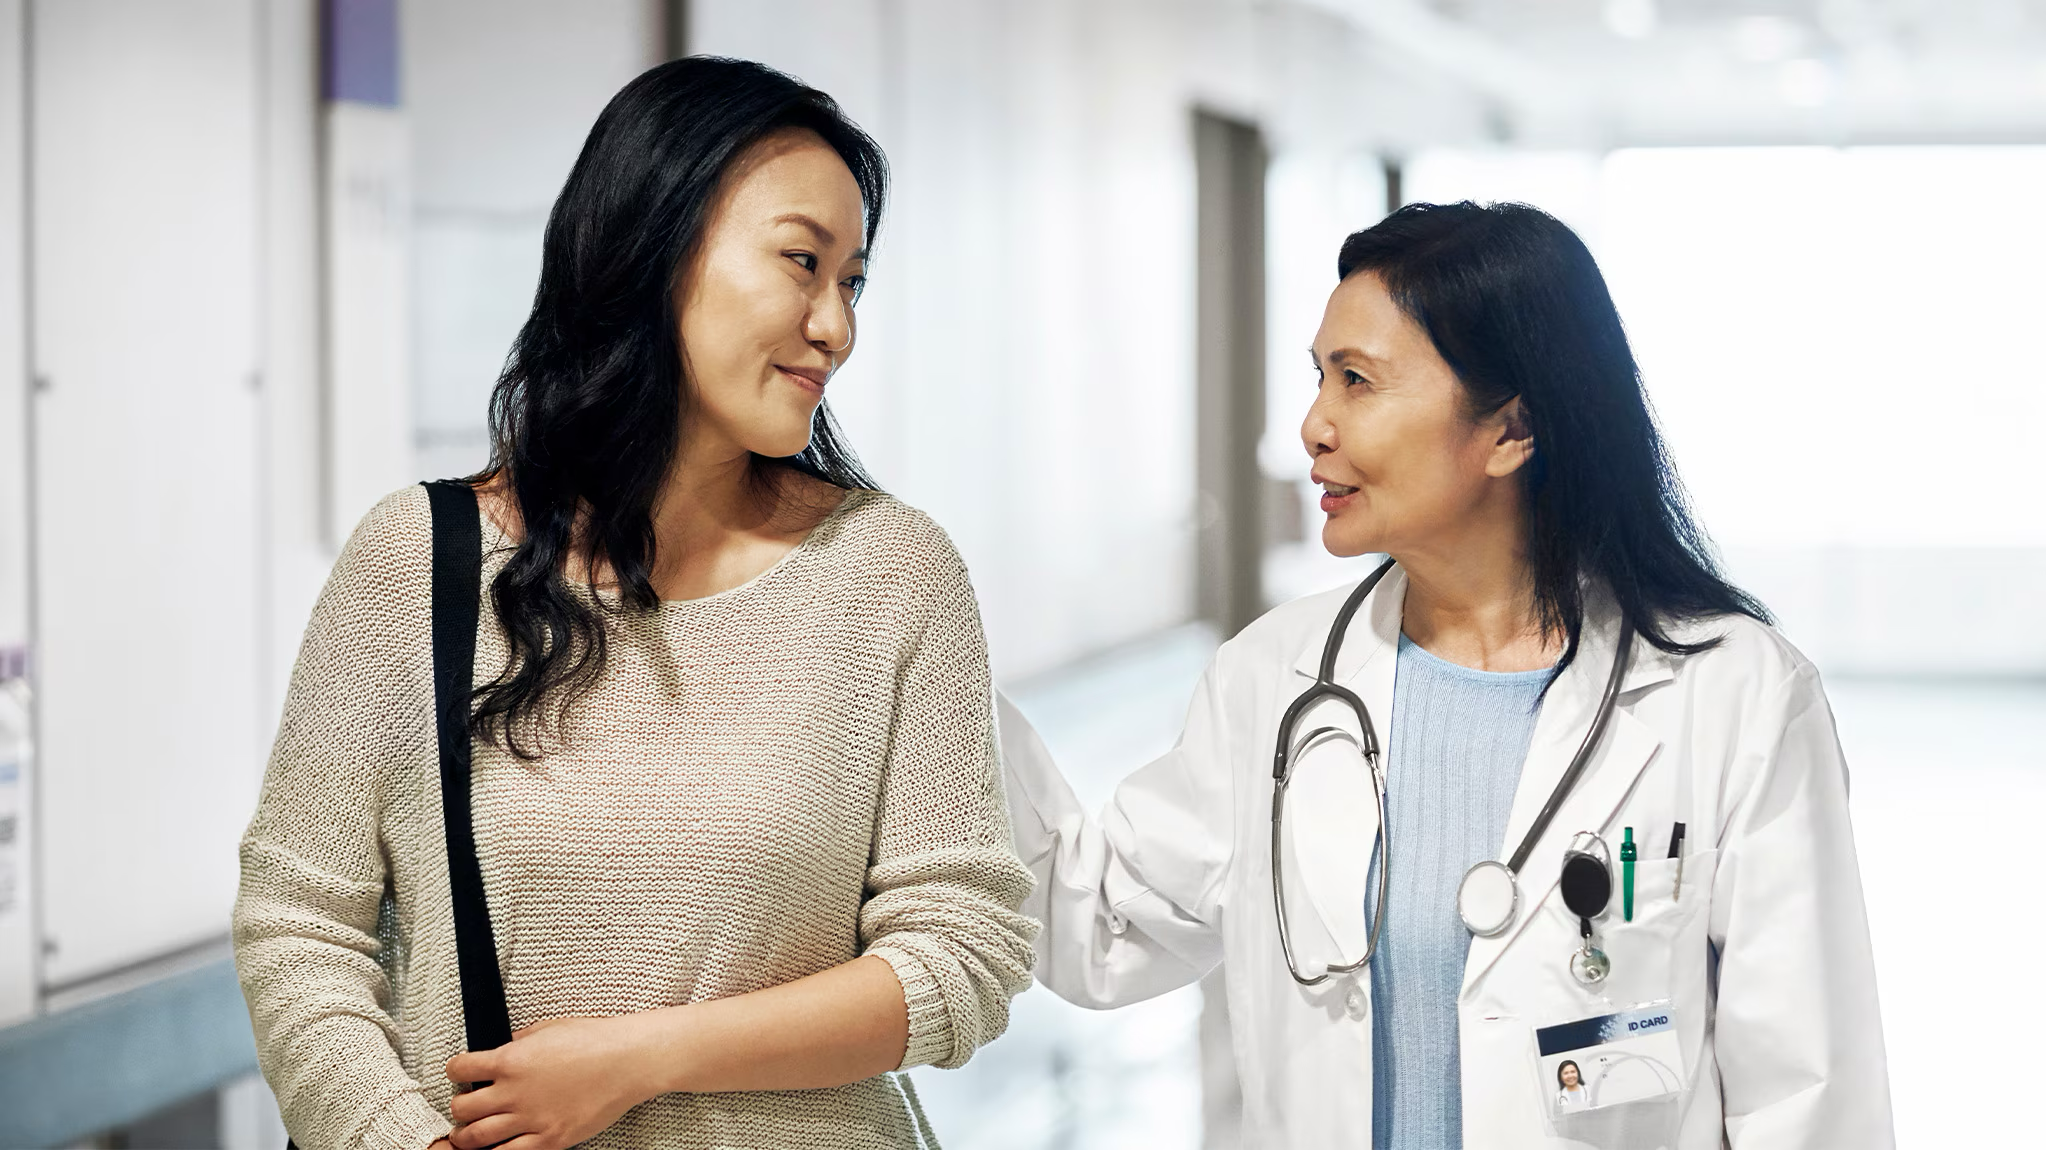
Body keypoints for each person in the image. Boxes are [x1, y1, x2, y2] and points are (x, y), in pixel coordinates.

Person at [235, 57, 1034, 1150]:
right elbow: (301, 927)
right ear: (653, 244)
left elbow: (963, 953)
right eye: (803, 262)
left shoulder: (892, 572)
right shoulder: (415, 563)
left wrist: (638, 1057)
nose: (835, 326)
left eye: (852, 281)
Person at [999, 201, 1893, 1148]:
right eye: (1319, 377)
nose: (1315, 425)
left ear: (1511, 430)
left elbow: (1809, 1098)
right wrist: (926, 659)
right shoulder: (1275, 681)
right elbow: (1095, 925)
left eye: (1358, 381)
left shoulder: (1734, 695)